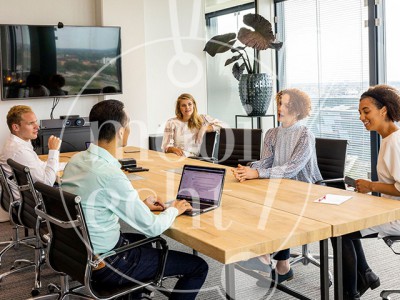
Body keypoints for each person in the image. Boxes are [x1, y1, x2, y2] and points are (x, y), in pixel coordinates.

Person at [61, 99, 208, 300]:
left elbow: (97, 200)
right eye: (128, 124)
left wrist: (140, 205)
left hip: (78, 253)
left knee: (145, 243)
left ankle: (131, 295)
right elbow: (152, 227)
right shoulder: (110, 174)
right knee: (198, 266)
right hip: (107, 263)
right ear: (121, 132)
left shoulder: (76, 160)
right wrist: (173, 208)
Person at [232, 88, 323, 284]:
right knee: (253, 201)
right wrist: (248, 169)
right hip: (280, 187)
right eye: (280, 103)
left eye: (286, 105)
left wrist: (257, 173)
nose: (280, 108)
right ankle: (281, 266)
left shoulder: (305, 135)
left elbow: (291, 168)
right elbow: (266, 161)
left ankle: (264, 257)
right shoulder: (272, 133)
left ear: (297, 110)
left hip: (304, 189)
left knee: (274, 208)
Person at [341, 84, 400, 300]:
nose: (361, 117)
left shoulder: (394, 142)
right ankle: (365, 275)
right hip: (389, 207)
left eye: (366, 111)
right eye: (359, 112)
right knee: (345, 221)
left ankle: (351, 292)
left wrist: (371, 186)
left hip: (396, 215)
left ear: (383, 110)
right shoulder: (388, 139)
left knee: (341, 231)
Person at [0, 105, 62, 221]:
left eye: (36, 122)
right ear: (16, 127)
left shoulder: (17, 143)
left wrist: (63, 165)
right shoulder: (20, 151)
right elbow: (47, 182)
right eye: (30, 123)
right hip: (31, 209)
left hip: (22, 204)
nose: (37, 127)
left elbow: (39, 165)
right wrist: (53, 151)